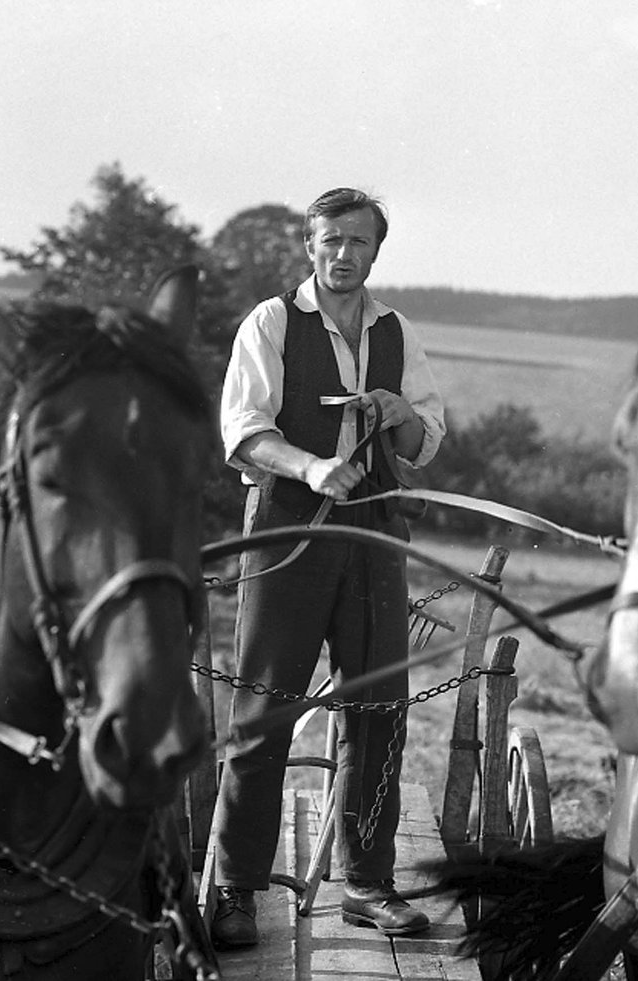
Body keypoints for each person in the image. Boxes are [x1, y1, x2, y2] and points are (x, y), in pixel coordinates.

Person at [211, 188, 446, 949]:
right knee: (264, 711)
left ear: (377, 249)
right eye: (330, 241)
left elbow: (428, 435)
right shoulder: (273, 321)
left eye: (358, 242)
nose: (343, 255)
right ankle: (238, 889)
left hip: (375, 530)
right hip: (286, 529)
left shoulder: (397, 329)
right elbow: (246, 432)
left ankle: (368, 884)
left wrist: (394, 409)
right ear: (308, 246)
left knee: (380, 707)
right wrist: (312, 466)